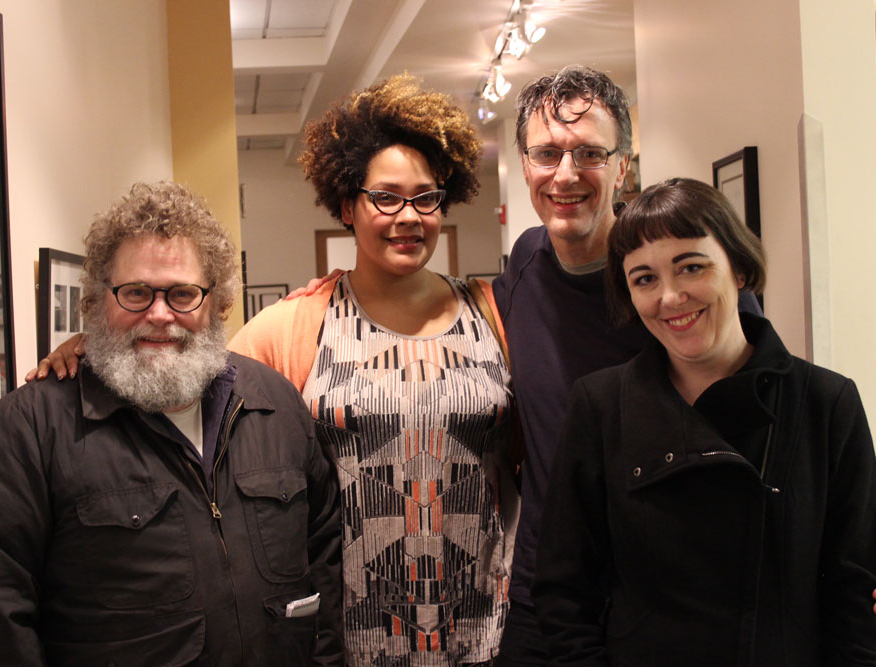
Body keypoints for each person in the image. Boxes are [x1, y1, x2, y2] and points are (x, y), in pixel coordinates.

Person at [28, 76, 516, 666]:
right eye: (384, 197)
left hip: (483, 628)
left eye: (424, 197)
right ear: (346, 204)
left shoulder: (491, 312)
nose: (406, 217)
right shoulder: (296, 326)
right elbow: (187, 367)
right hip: (349, 637)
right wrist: (97, 343)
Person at [490, 65, 876, 664]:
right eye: (547, 153)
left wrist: (851, 549)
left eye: (589, 154)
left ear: (623, 166)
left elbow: (778, 423)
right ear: (525, 163)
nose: (565, 174)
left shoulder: (706, 305)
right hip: (553, 589)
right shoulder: (525, 264)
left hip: (687, 593)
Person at [0, 182, 342, 665]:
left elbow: (324, 564)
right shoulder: (26, 431)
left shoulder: (275, 405)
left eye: (182, 293)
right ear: (94, 303)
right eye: (135, 292)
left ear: (216, 303)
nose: (159, 314)